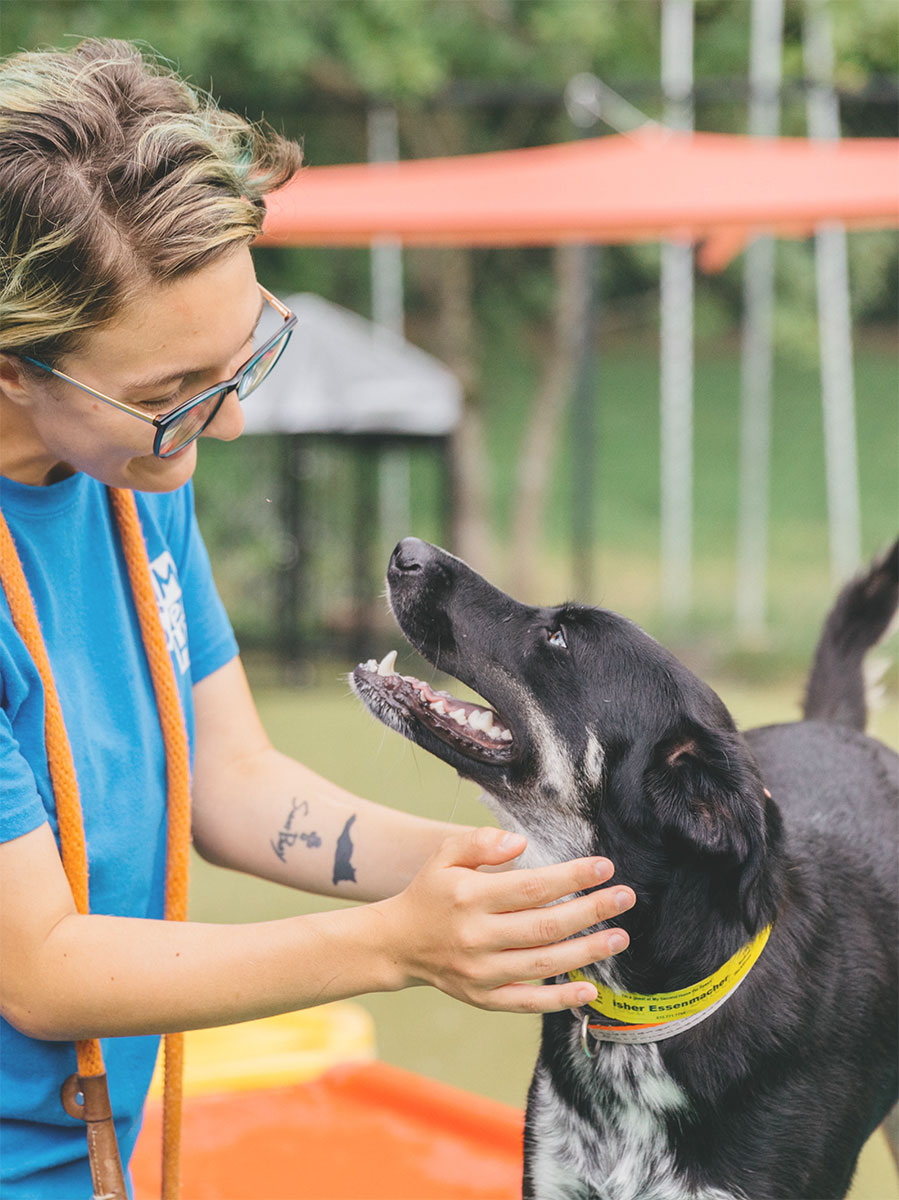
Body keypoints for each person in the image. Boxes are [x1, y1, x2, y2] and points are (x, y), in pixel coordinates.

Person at [0, 38, 635, 1196]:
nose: (224, 427)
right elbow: (38, 966)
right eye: (168, 397)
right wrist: (393, 944)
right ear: (14, 370)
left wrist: (478, 869)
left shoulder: (134, 490)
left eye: (241, 362)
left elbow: (231, 779)